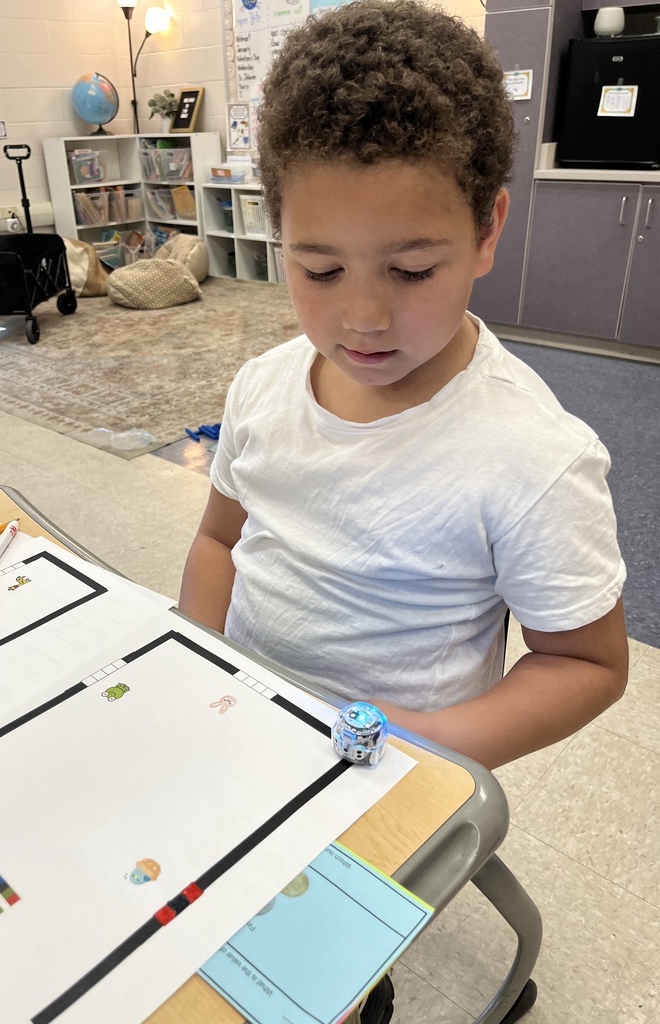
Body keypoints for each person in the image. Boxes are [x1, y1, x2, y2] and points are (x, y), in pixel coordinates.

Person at [180, 0, 627, 774]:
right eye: (319, 270)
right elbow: (220, 539)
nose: (363, 318)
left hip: (392, 766)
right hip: (241, 724)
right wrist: (196, 657)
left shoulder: (534, 456)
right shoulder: (262, 389)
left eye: (412, 270)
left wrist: (418, 742)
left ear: (487, 229)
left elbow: (587, 665)